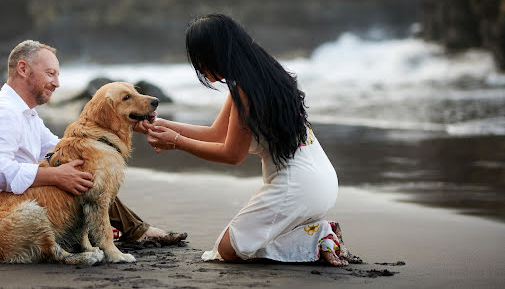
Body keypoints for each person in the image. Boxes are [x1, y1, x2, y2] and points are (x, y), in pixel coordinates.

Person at [145, 14, 359, 265]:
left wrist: (176, 142)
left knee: (228, 250)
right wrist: (158, 125)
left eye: (199, 58)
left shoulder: (245, 88)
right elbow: (217, 133)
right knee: (240, 244)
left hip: (297, 188)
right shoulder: (260, 76)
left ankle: (319, 238)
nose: (199, 67)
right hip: (321, 181)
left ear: (214, 52)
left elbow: (231, 154)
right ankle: (316, 233)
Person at [0, 40, 186, 246]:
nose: (57, 83)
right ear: (23, 69)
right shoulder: (1, 113)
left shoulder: (25, 114)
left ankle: (134, 229)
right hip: (3, 229)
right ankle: (132, 231)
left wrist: (126, 122)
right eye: (50, 74)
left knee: (89, 169)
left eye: (57, 75)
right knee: (86, 176)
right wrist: (55, 175)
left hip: (30, 207)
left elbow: (66, 150)